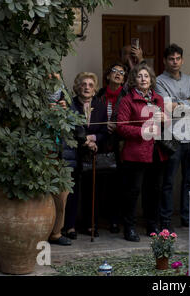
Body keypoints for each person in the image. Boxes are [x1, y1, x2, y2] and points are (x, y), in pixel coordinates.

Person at [116, 63, 168, 242]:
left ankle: (152, 225)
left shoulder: (158, 99)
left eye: (146, 76)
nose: (143, 79)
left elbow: (166, 126)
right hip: (135, 152)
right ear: (133, 80)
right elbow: (121, 128)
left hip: (156, 151)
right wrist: (141, 132)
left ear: (151, 79)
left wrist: (165, 119)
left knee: (154, 190)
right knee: (133, 191)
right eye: (139, 76)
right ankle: (129, 227)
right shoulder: (127, 101)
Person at [155, 43, 190, 230]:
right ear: (165, 61)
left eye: (177, 59)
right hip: (172, 138)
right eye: (171, 59)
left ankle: (187, 217)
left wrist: (178, 103)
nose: (174, 62)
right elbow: (166, 105)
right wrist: (186, 103)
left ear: (182, 60)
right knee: (168, 182)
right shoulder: (159, 81)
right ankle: (165, 220)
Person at [63, 72, 108, 239]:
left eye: (90, 85)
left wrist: (94, 139)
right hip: (74, 154)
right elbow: (69, 129)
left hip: (93, 155)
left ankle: (90, 224)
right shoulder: (70, 105)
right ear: (77, 87)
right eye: (83, 84)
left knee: (92, 191)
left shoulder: (100, 106)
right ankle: (70, 226)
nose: (87, 87)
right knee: (72, 192)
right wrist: (84, 141)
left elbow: (105, 132)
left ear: (95, 89)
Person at [96, 63, 128, 234]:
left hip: (120, 144)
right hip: (100, 143)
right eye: (114, 71)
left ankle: (115, 221)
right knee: (100, 184)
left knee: (117, 186)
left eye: (121, 73)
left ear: (124, 79)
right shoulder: (99, 95)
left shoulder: (126, 95)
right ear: (108, 76)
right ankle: (98, 220)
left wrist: (117, 127)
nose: (118, 74)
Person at [47, 80, 72, 246]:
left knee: (62, 193)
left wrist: (65, 110)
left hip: (61, 150)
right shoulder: (33, 95)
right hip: (41, 149)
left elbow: (74, 121)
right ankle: (42, 231)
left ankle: (56, 232)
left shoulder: (65, 95)